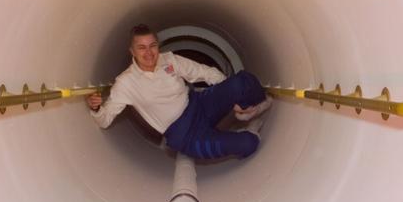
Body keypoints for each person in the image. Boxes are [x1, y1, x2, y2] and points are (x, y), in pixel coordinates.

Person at [87, 24, 270, 160]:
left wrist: (228, 93)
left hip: (199, 105)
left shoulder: (169, 60)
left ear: (158, 45)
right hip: (185, 136)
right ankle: (252, 129)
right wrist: (96, 109)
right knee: (248, 144)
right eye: (141, 48)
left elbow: (205, 72)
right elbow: (105, 120)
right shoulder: (125, 82)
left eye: (153, 45)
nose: (149, 52)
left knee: (243, 81)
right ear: (132, 51)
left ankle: (250, 110)